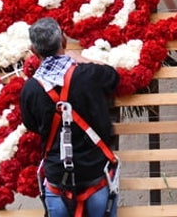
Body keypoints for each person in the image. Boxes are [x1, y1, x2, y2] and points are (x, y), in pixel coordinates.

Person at [19, 17, 120, 217]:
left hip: (58, 180)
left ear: (33, 50)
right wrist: (82, 59)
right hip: (95, 175)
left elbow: (31, 125)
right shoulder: (89, 74)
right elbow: (114, 77)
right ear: (63, 41)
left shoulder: (30, 89)